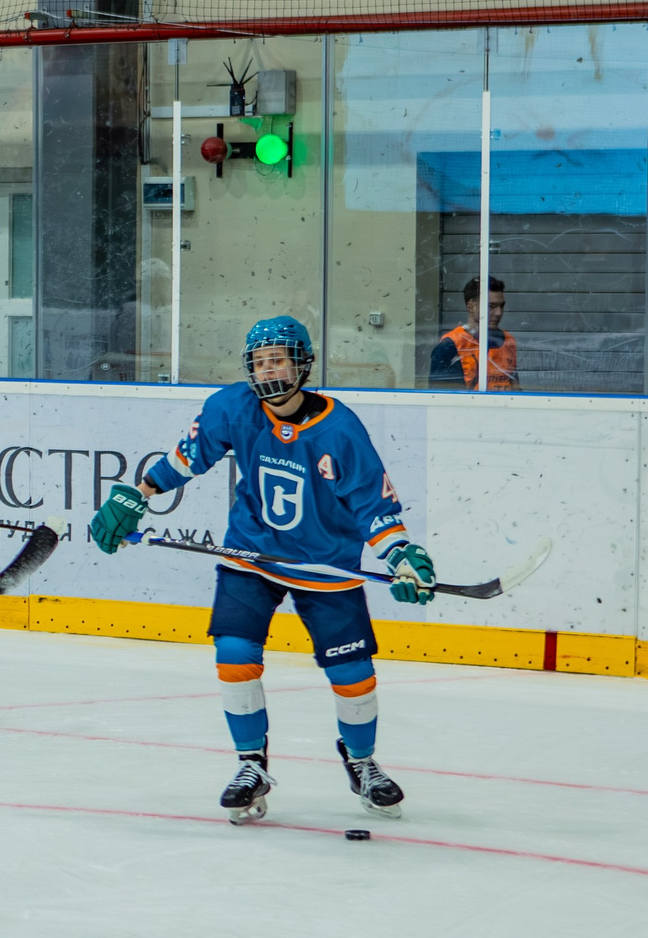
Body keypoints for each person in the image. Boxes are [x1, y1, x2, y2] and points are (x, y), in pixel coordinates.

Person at [88, 315, 434, 825]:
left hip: (326, 565)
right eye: (261, 360)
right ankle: (251, 766)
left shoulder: (340, 429)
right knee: (233, 654)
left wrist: (401, 555)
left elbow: (373, 507)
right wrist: (139, 495)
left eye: (279, 358)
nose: (269, 369)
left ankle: (362, 764)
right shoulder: (233, 407)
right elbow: (187, 459)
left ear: (303, 364)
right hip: (251, 555)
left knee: (353, 674)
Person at [429, 276, 516, 390]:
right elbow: (442, 398)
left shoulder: (507, 341)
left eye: (501, 306)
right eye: (491, 306)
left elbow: (515, 386)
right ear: (471, 307)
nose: (499, 313)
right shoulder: (451, 346)